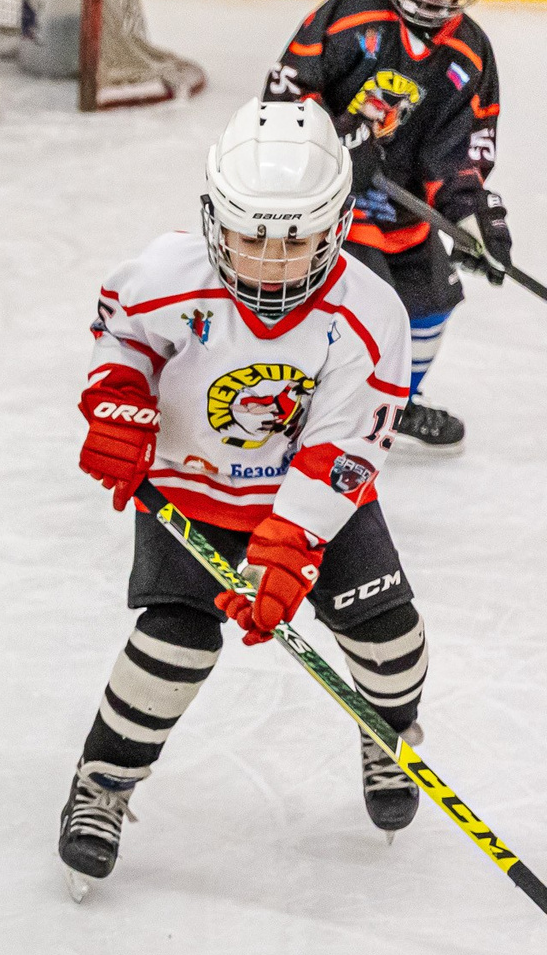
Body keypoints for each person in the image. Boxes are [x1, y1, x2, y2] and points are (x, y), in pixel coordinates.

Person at [58, 99, 424, 899]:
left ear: (334, 227)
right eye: (252, 237)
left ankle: (388, 732)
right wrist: (118, 400)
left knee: (390, 637)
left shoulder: (370, 315)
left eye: (295, 241)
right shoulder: (167, 275)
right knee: (175, 642)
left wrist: (291, 547)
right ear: (216, 219)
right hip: (189, 492)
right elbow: (120, 335)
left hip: (309, 504)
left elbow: (342, 448)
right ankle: (102, 782)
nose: (271, 264)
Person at [267, 0, 505, 452]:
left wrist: (471, 215)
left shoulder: (471, 51)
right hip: (327, 207)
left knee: (431, 303)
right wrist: (337, 136)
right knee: (363, 309)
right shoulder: (348, 14)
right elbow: (284, 96)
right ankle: (309, 406)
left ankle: (394, 406)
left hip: (402, 212)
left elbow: (459, 151)